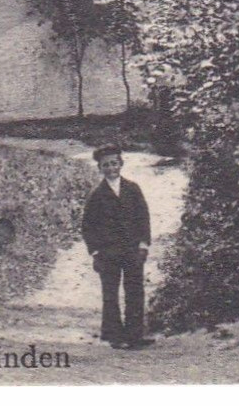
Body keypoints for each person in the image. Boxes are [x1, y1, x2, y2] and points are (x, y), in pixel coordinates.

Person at [80, 144, 153, 348]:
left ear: (121, 164)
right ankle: (114, 335)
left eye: (114, 163)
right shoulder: (97, 195)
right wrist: (95, 252)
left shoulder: (133, 189)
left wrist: (143, 245)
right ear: (100, 168)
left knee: (135, 291)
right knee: (110, 294)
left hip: (132, 250)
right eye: (106, 165)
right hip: (108, 253)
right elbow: (88, 226)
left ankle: (135, 335)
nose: (111, 168)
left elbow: (143, 218)